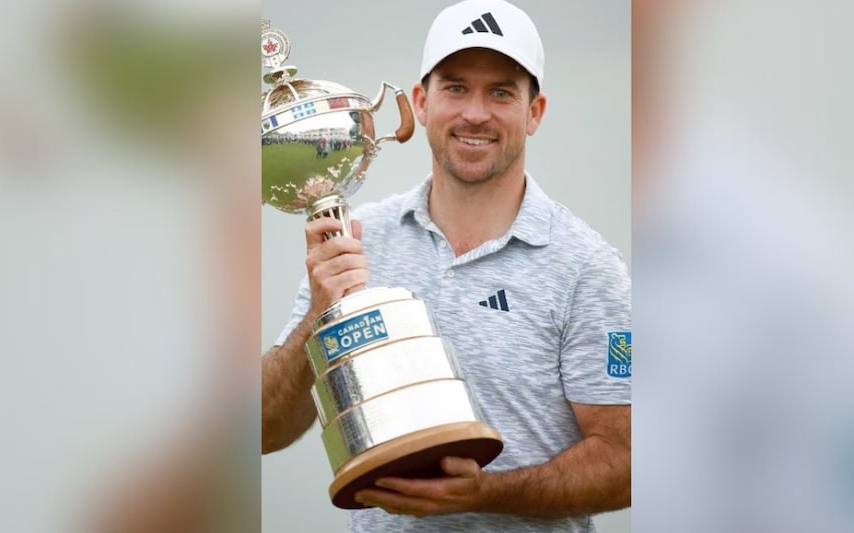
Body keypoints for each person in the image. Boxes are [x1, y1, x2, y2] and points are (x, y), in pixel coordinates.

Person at [262, 0, 631, 531]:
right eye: (455, 87)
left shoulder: (587, 268)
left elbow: (626, 463)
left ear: (535, 112)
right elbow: (264, 432)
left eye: (501, 91)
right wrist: (317, 316)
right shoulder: (357, 237)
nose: (475, 113)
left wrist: (486, 492)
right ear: (421, 102)